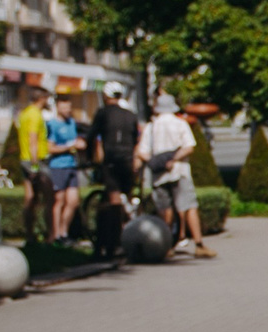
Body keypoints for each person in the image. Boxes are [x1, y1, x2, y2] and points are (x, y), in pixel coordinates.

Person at [142, 93, 216, 259]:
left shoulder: (151, 127)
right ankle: (199, 244)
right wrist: (173, 159)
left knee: (164, 210)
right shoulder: (180, 123)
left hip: (159, 175)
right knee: (189, 206)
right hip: (180, 170)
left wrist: (157, 162)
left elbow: (142, 152)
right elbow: (189, 147)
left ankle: (166, 246)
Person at [91, 81, 141, 233]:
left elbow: (91, 136)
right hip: (128, 161)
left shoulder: (103, 113)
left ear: (106, 96)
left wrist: (90, 158)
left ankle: (116, 237)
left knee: (114, 201)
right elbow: (136, 139)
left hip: (112, 161)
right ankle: (132, 227)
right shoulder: (130, 115)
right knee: (128, 196)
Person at [12, 88, 54, 238]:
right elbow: (33, 140)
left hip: (24, 158)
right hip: (36, 160)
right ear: (42, 98)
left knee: (30, 198)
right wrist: (35, 165)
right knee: (49, 198)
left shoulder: (25, 113)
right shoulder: (35, 115)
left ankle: (29, 234)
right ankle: (51, 236)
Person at [44, 93, 85, 243]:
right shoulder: (52, 125)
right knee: (59, 201)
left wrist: (79, 145)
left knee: (73, 201)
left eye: (69, 107)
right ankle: (55, 234)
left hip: (71, 165)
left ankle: (64, 231)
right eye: (64, 107)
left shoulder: (72, 123)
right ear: (58, 107)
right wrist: (69, 147)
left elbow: (77, 140)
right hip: (58, 166)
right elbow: (50, 148)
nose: (67, 109)